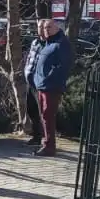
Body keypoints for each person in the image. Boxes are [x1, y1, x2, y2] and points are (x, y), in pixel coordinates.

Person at [28, 18, 73, 157]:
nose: (46, 30)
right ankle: (45, 142)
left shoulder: (61, 44)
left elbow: (62, 66)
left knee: (48, 115)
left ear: (57, 28)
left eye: (49, 27)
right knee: (43, 115)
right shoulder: (48, 43)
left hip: (51, 86)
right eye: (45, 28)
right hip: (41, 84)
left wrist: (48, 78)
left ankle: (49, 146)